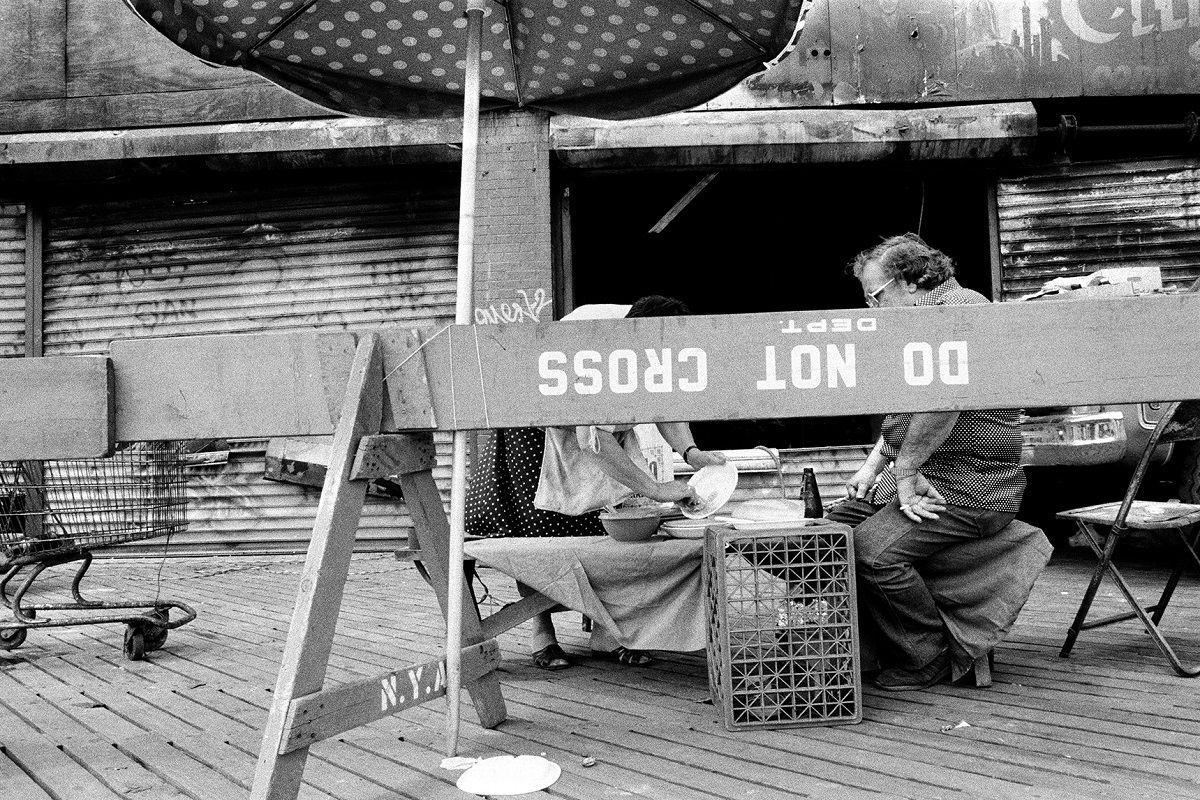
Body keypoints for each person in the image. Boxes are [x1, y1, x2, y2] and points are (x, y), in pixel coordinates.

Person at [466, 295, 725, 671]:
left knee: (605, 534)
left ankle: (610, 634)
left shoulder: (658, 339)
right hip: (536, 436)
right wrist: (653, 489)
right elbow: (596, 442)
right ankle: (543, 632)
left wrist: (690, 453)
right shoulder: (592, 338)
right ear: (631, 333)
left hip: (595, 435)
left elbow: (665, 401)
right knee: (541, 538)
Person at [828, 233, 1026, 691]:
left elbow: (942, 402)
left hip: (969, 486)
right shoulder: (919, 323)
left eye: (874, 296)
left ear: (911, 282)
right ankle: (858, 647)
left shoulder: (954, 313)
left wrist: (905, 471)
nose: (870, 310)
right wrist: (873, 466)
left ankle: (928, 656)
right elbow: (907, 413)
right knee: (825, 536)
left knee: (870, 553)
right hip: (925, 476)